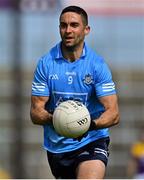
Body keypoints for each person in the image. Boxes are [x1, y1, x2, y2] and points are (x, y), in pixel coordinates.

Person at [30, 5, 120, 179]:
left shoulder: (97, 66)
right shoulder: (46, 64)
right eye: (63, 25)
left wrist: (88, 125)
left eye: (74, 25)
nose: (68, 30)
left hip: (92, 140)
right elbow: (35, 112)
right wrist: (58, 119)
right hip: (58, 148)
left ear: (86, 30)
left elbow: (113, 113)